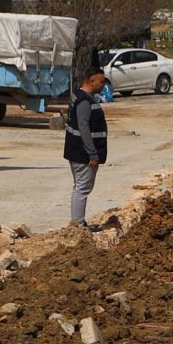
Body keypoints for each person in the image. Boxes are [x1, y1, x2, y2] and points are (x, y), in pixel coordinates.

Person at [63, 67, 110, 228]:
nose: (103, 85)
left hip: (77, 151)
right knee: (82, 188)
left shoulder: (79, 96)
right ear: (92, 81)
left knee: (79, 187)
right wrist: (92, 154)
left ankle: (78, 222)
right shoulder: (84, 101)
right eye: (101, 81)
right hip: (83, 154)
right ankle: (78, 224)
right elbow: (84, 127)